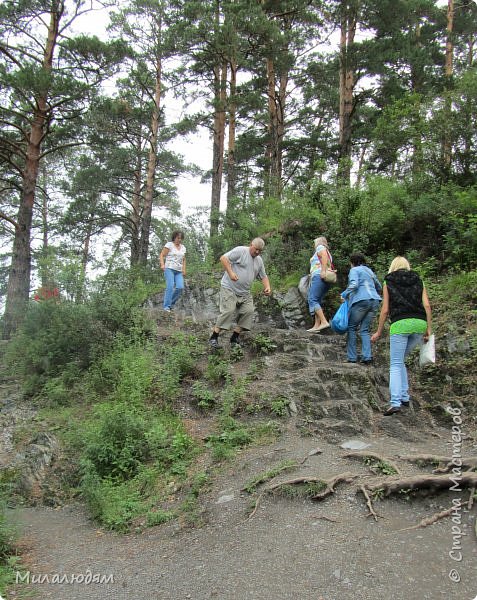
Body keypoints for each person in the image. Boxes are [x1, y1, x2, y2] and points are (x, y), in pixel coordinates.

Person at [371, 256, 432, 416]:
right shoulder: (419, 280)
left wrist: (378, 331)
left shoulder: (389, 281)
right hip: (419, 323)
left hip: (400, 323)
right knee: (401, 360)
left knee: (396, 364)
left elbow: (385, 309)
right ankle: (404, 396)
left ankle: (395, 402)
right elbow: (426, 305)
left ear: (393, 266)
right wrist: (428, 329)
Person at [209, 238, 271, 348]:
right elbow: (223, 258)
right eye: (256, 249)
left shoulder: (259, 260)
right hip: (229, 288)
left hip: (245, 292)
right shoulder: (241, 251)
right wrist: (231, 273)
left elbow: (263, 276)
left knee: (248, 311)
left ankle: (235, 337)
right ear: (251, 244)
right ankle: (214, 337)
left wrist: (267, 287)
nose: (257, 252)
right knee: (228, 311)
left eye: (260, 251)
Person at [340, 253, 382, 364]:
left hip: (361, 301)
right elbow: (379, 286)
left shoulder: (354, 270)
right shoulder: (369, 271)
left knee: (351, 327)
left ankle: (352, 357)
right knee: (364, 330)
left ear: (352, 262)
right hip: (374, 301)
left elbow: (354, 284)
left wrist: (344, 294)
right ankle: (367, 357)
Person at [307, 236, 334, 332]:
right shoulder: (327, 251)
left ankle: (324, 321)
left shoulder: (320, 247)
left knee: (312, 299)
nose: (314, 245)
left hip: (319, 276)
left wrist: (322, 271)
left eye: (315, 242)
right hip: (325, 278)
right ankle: (317, 325)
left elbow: (323, 256)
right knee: (317, 300)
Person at [159, 231, 186, 311]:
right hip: (169, 268)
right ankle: (166, 306)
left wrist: (184, 269)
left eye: (181, 238)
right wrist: (162, 264)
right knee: (170, 287)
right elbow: (162, 255)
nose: (179, 240)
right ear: (174, 237)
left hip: (179, 271)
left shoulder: (183, 247)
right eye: (178, 238)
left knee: (180, 287)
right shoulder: (169, 245)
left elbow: (184, 259)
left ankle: (170, 304)